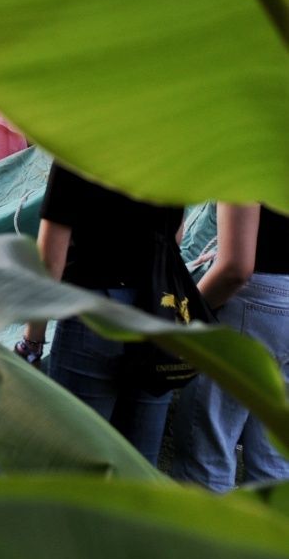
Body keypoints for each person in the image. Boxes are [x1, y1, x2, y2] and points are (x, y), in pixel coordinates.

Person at [20, 165, 188, 465]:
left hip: (93, 312)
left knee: (75, 463)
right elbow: (175, 239)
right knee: (138, 466)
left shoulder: (79, 153)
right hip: (156, 314)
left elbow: (49, 261)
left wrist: (32, 343)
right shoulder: (175, 152)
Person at [170, 205, 289, 489]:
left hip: (252, 301)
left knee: (206, 456)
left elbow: (235, 270)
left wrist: (183, 318)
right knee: (274, 460)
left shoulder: (251, 173)